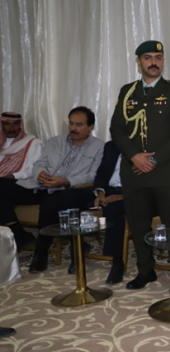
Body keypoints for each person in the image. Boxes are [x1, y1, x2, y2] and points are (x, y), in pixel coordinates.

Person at [110, 40, 170, 290]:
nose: (153, 62)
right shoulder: (127, 92)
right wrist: (135, 156)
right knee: (138, 226)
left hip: (166, 173)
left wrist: (154, 160)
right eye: (147, 58)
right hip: (134, 172)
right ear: (139, 62)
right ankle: (145, 271)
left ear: (163, 60)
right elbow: (117, 129)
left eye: (158, 57)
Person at [0, 106, 104, 270]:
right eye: (71, 124)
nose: (73, 128)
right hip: (41, 186)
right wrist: (40, 174)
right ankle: (19, 234)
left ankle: (41, 251)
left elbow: (93, 176)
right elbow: (39, 164)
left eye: (79, 125)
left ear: (90, 127)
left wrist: (65, 181)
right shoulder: (55, 141)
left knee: (52, 201)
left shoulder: (99, 147)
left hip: (72, 190)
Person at [49, 141, 126, 282]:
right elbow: (102, 172)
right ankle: (77, 251)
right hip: (108, 191)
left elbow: (149, 179)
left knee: (113, 207)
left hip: (130, 194)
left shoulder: (145, 146)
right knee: (68, 196)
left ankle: (117, 262)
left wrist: (123, 196)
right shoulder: (112, 146)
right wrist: (101, 193)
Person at [0, 112, 43, 180]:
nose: (11, 128)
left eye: (16, 124)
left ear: (20, 125)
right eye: (7, 124)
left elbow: (36, 169)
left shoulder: (33, 143)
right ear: (1, 125)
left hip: (17, 182)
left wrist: (14, 176)